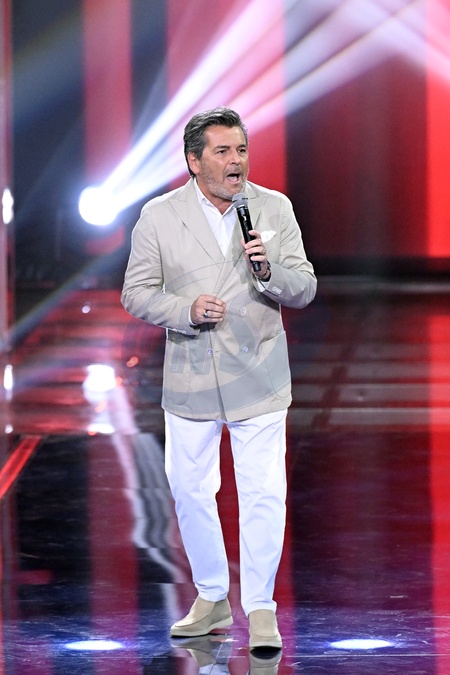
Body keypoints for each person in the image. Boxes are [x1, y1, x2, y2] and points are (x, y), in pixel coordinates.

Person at [121, 107, 316, 650]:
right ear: (194, 161)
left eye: (242, 150)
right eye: (223, 152)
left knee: (262, 494)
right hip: (191, 375)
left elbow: (304, 286)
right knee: (190, 491)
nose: (237, 162)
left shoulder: (273, 207)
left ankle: (261, 607)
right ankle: (211, 597)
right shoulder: (159, 216)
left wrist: (269, 273)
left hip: (259, 374)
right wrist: (185, 309)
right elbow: (136, 292)